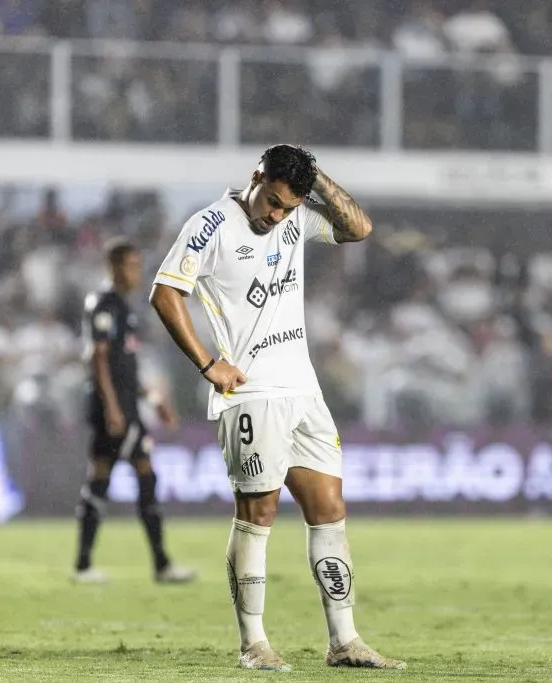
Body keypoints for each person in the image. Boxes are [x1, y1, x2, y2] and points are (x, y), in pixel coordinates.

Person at [150, 145, 405, 671]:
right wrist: (207, 364)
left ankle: (344, 640)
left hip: (303, 391)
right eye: (271, 202)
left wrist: (317, 179)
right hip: (250, 393)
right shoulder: (212, 224)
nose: (276, 216)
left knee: (329, 509)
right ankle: (254, 645)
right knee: (258, 513)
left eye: (289, 206)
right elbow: (166, 292)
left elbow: (359, 229)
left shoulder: (293, 221)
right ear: (255, 178)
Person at [73, 238, 195, 585]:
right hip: (111, 408)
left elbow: (124, 365)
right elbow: (97, 358)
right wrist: (112, 407)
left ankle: (154, 564)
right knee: (112, 476)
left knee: (130, 477)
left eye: (139, 265)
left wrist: (152, 398)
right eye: (131, 265)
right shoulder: (103, 304)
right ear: (113, 267)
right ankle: (93, 565)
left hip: (128, 406)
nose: (137, 272)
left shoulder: (128, 309)